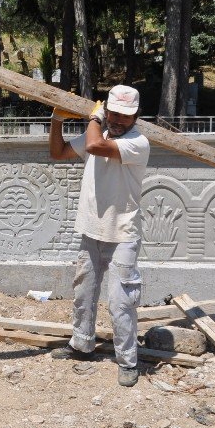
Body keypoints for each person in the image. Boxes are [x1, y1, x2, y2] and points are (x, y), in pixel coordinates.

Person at [47, 84, 150, 387]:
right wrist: (56, 120)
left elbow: (93, 147)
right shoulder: (100, 133)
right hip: (91, 228)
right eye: (113, 115)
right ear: (108, 112)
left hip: (123, 233)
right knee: (84, 292)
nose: (118, 122)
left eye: (124, 117)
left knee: (121, 302)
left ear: (136, 117)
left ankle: (128, 361)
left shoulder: (138, 142)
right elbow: (58, 152)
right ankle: (81, 344)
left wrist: (95, 117)